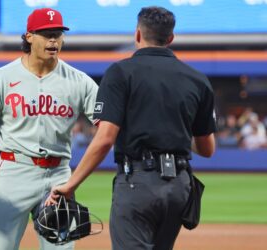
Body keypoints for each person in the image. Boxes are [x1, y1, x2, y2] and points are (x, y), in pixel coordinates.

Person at [47, 6, 216, 250]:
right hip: (180, 186)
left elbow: (105, 138)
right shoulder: (198, 79)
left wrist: (71, 184)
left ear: (138, 34)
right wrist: (170, 130)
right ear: (170, 38)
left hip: (138, 182)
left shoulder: (120, 72)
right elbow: (207, 148)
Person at [0, 8, 98, 250]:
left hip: (59, 177)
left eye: (58, 34)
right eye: (46, 34)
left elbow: (107, 127)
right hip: (13, 172)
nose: (53, 40)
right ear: (29, 36)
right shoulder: (2, 77)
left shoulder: (80, 81)